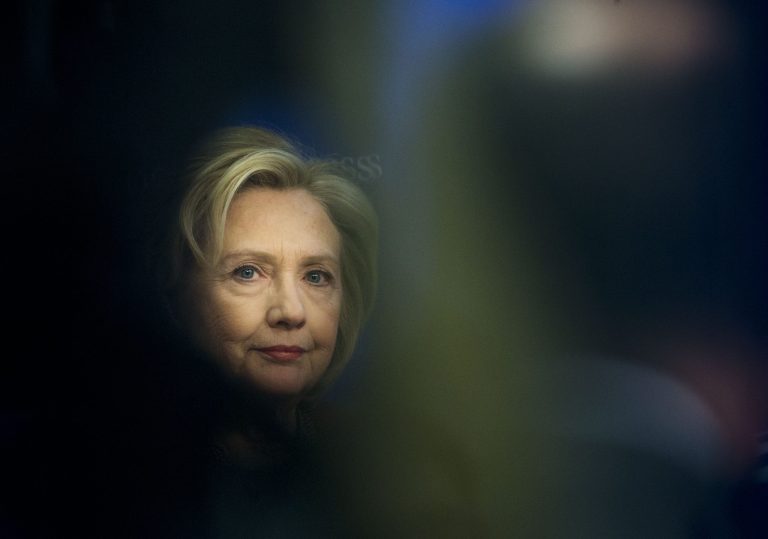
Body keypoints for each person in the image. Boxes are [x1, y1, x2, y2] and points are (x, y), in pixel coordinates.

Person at [137, 124, 379, 537]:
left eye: (316, 276)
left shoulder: (382, 475)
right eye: (248, 272)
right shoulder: (105, 485)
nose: (291, 311)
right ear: (176, 293)